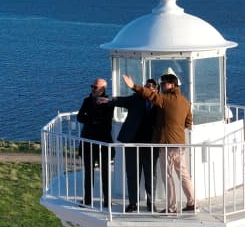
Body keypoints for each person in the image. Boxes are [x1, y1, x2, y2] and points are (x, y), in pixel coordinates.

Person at [121, 72, 194, 213]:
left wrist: (133, 86)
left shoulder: (165, 99)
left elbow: (151, 95)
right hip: (180, 144)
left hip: (167, 144)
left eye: (163, 83)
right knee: (183, 174)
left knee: (168, 176)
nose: (161, 86)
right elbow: (188, 122)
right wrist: (175, 128)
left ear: (171, 85)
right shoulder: (185, 101)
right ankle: (192, 202)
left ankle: (172, 208)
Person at [109, 78, 159, 213]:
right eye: (146, 85)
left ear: (156, 90)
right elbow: (121, 100)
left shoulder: (159, 101)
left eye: (151, 86)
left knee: (151, 174)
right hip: (132, 142)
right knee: (132, 174)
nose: (147, 87)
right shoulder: (135, 98)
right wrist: (108, 99)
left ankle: (151, 202)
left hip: (152, 144)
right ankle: (133, 203)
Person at [76, 77, 114, 206]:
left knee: (105, 172)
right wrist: (92, 120)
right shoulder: (87, 101)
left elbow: (105, 120)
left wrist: (90, 119)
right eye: (92, 86)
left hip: (103, 142)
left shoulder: (109, 102)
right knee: (88, 172)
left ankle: (107, 200)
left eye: (95, 87)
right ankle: (87, 199)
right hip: (88, 141)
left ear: (103, 89)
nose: (92, 89)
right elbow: (79, 117)